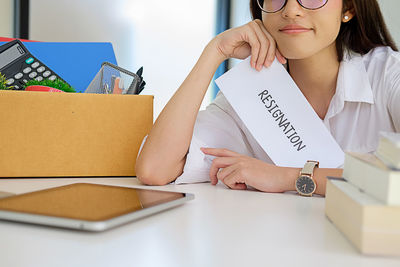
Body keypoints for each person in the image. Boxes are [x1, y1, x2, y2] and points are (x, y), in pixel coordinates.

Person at [135, 0, 400, 196]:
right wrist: (213, 53)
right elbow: (155, 169)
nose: (291, 10)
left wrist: (288, 178)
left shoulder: (389, 74)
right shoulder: (252, 91)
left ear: (349, 8)